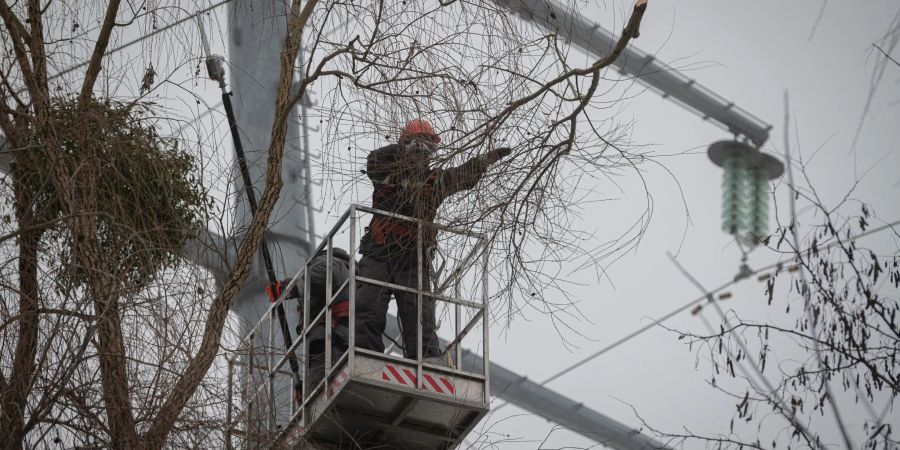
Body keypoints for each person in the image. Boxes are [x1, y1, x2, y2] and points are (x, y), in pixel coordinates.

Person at [355, 118, 512, 363]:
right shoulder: (387, 172)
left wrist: (482, 162)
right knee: (367, 307)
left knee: (420, 316)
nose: (423, 152)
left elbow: (462, 177)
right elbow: (373, 161)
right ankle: (365, 356)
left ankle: (426, 361)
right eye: (418, 144)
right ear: (404, 144)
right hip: (380, 250)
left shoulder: (434, 181)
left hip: (413, 258)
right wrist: (402, 149)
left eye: (429, 147)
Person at [266, 248, 351, 393]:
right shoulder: (350, 273)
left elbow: (322, 276)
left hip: (331, 338)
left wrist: (288, 289)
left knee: (319, 390)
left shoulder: (329, 261)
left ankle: (310, 393)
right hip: (340, 337)